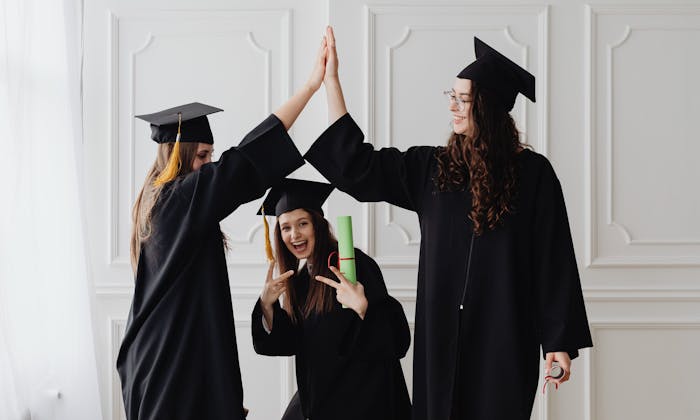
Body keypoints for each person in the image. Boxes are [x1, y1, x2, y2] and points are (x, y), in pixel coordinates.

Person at [304, 27, 593, 420]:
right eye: (451, 97)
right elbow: (359, 166)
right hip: (440, 337)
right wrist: (332, 81)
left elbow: (553, 260)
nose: (453, 107)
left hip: (503, 336)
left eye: (463, 99)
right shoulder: (433, 169)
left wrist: (558, 341)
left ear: (488, 107)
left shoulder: (534, 175)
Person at [116, 38, 329, 420]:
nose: (208, 164)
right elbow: (246, 161)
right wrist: (310, 88)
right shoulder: (179, 200)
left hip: (158, 360)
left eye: (210, 155)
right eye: (202, 156)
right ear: (178, 155)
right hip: (172, 370)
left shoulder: (154, 200)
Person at [251, 178, 412, 420]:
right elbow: (289, 343)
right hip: (322, 396)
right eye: (286, 227)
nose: (294, 234)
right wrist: (267, 304)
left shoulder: (354, 264)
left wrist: (364, 308)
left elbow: (397, 341)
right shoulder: (300, 279)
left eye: (302, 223)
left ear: (318, 225)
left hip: (364, 400)